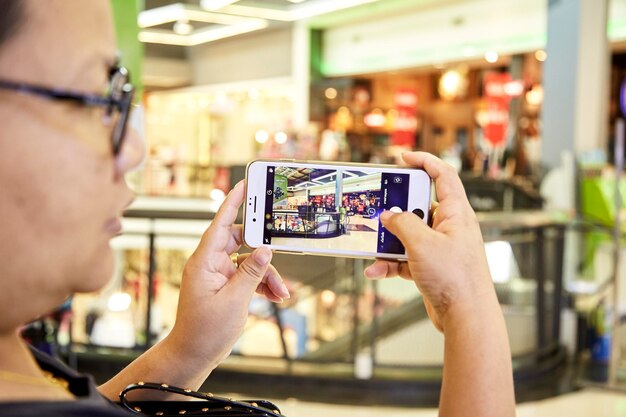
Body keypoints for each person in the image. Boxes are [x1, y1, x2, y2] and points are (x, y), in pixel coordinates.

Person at [0, 1, 515, 416]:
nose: (133, 148)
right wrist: (468, 305)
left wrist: (185, 351)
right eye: (101, 98)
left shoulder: (21, 366)